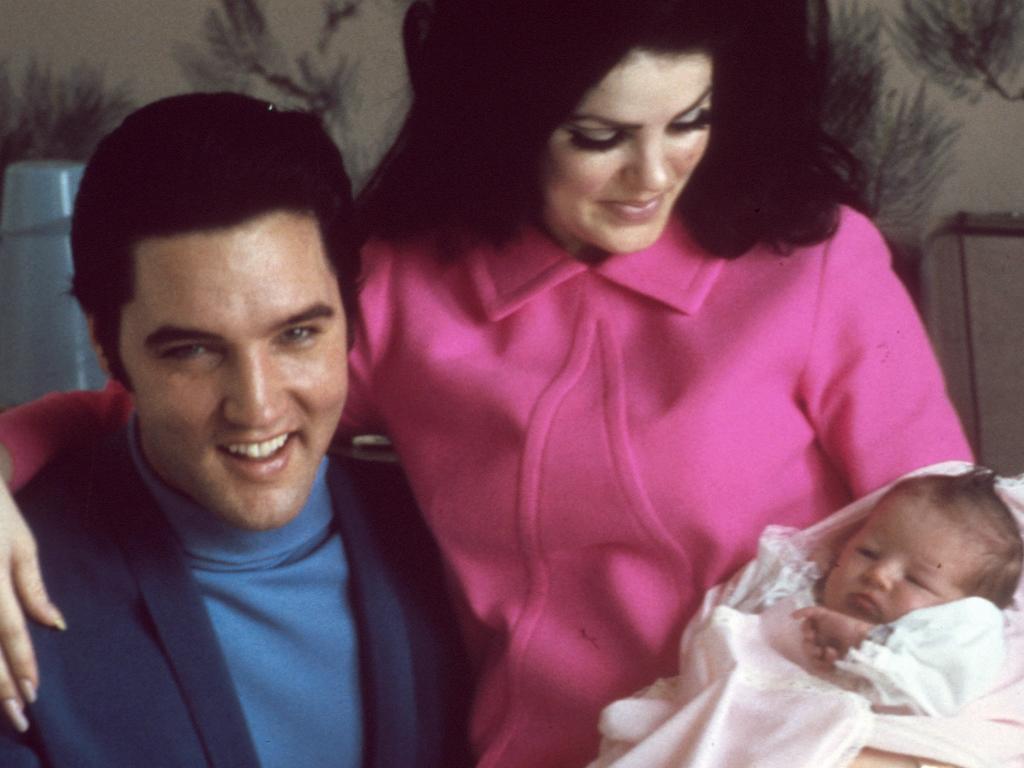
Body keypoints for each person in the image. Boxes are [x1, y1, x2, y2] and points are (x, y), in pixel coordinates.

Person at [0, 0, 984, 765]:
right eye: (598, 136)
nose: (654, 173)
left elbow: (962, 570)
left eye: (689, 120)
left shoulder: (815, 270)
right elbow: (151, 404)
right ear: (510, 120)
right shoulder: (399, 292)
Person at [0, 93, 469, 767]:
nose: (256, 405)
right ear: (107, 346)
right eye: (193, 350)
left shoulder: (449, 533)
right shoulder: (17, 589)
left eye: (298, 335)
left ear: (353, 319)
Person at [589, 467, 1023, 767]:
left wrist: (860, 643)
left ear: (965, 612)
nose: (878, 575)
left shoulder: (953, 644)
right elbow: (728, 640)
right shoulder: (792, 592)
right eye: (868, 552)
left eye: (916, 579)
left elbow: (927, 694)